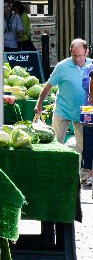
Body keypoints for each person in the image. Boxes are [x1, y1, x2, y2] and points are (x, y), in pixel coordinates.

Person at [35, 39, 93, 185]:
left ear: (87, 52)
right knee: (56, 143)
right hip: (63, 110)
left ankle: (83, 179)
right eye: (74, 56)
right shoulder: (62, 66)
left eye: (80, 55)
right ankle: (52, 174)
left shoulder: (91, 66)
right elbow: (48, 86)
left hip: (84, 113)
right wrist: (39, 104)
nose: (77, 59)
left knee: (83, 148)